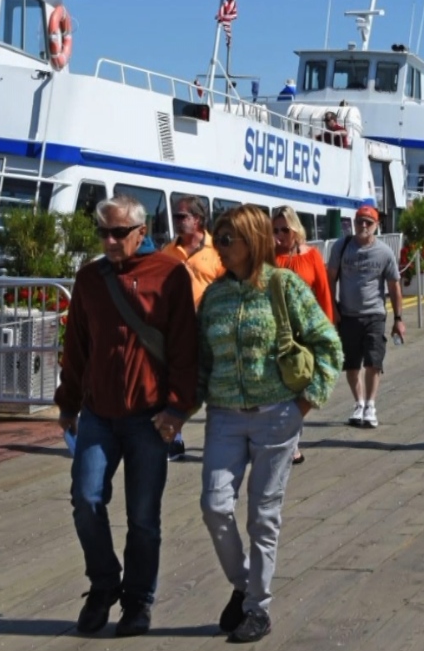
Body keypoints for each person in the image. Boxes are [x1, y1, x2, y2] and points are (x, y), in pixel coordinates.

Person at [58, 195, 200, 636]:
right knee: (86, 500)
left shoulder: (170, 274)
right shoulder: (88, 279)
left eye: (119, 232)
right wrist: (67, 402)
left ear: (141, 232)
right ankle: (104, 585)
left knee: (143, 517)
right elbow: (77, 344)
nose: (110, 240)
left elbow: (184, 347)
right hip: (98, 413)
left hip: (150, 417)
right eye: (103, 232)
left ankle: (138, 600)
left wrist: (177, 409)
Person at [197, 208, 341, 643]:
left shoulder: (284, 286)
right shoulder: (214, 297)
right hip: (223, 415)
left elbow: (328, 345)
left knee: (263, 514)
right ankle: (243, 586)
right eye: (217, 238)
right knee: (215, 506)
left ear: (253, 241)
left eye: (228, 239)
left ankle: (258, 608)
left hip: (278, 416)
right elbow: (202, 360)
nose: (219, 247)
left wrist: (303, 405)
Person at [160, 195, 226, 461]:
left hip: (210, 330)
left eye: (181, 217)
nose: (176, 222)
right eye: (175, 217)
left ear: (197, 219)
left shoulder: (218, 251)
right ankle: (174, 439)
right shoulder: (167, 251)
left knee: (213, 384)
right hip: (176, 330)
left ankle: (220, 441)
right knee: (175, 384)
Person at [328, 205, 404, 429]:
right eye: (360, 221)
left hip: (374, 315)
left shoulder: (384, 252)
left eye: (368, 222)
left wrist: (398, 319)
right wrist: (332, 307)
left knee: (373, 361)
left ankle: (371, 405)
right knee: (351, 364)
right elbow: (330, 278)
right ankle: (358, 403)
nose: (363, 226)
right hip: (348, 315)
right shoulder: (341, 247)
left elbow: (394, 285)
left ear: (376, 226)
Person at [273, 206, 334, 464]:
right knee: (281, 389)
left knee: (304, 386)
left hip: (306, 332)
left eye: (284, 229)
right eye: (274, 230)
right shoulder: (269, 257)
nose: (279, 235)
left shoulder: (311, 256)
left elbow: (324, 295)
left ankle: (290, 439)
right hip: (277, 331)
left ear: (295, 228)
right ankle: (289, 445)